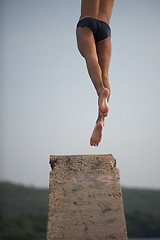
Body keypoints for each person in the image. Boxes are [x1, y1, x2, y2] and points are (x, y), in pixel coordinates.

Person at [76, 0, 114, 146]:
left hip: (87, 22)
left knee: (91, 57)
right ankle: (101, 120)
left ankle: (100, 90)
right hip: (105, 27)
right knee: (105, 74)